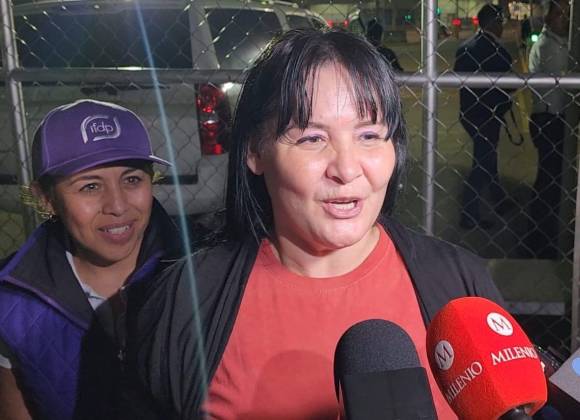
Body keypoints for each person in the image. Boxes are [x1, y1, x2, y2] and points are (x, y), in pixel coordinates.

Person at [124, 28, 504, 419]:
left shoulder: (462, 288)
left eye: (369, 135)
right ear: (255, 151)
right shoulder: (185, 303)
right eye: (312, 138)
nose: (346, 169)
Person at [0, 99, 182, 420]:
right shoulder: (12, 303)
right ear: (46, 199)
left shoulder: (201, 273)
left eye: (132, 179)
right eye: (90, 186)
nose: (118, 206)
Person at [454, 4, 514, 230]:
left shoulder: (465, 47)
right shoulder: (498, 51)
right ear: (494, 23)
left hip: (469, 113)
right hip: (489, 114)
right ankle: (469, 214)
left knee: (488, 156)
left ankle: (499, 199)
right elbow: (509, 85)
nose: (502, 26)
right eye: (500, 22)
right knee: (483, 162)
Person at [526, 0, 571, 258]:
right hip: (548, 119)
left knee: (551, 177)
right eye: (559, 14)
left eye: (567, 14)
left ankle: (544, 230)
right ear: (548, 17)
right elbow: (562, 83)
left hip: (554, 118)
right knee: (549, 178)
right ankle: (540, 236)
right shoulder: (547, 46)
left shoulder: (558, 42)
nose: (564, 18)